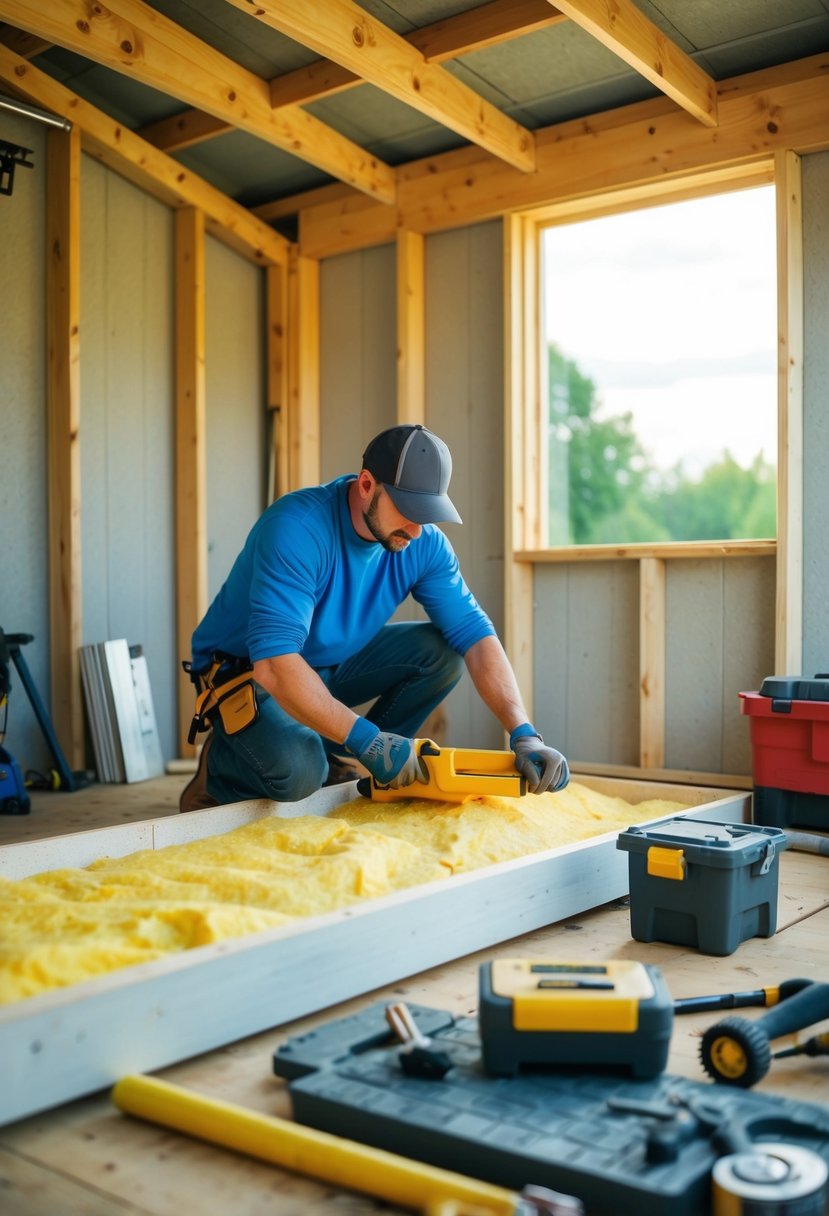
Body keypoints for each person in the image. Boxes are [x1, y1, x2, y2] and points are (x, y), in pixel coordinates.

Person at [179, 423, 569, 812]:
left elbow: (476, 637)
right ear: (367, 484)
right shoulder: (296, 530)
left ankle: (346, 757)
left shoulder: (424, 543)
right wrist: (367, 736)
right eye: (408, 509)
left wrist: (524, 732)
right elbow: (276, 667)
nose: (416, 530)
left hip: (325, 665)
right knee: (298, 772)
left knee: (440, 651)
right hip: (250, 676)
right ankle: (221, 770)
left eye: (428, 513)